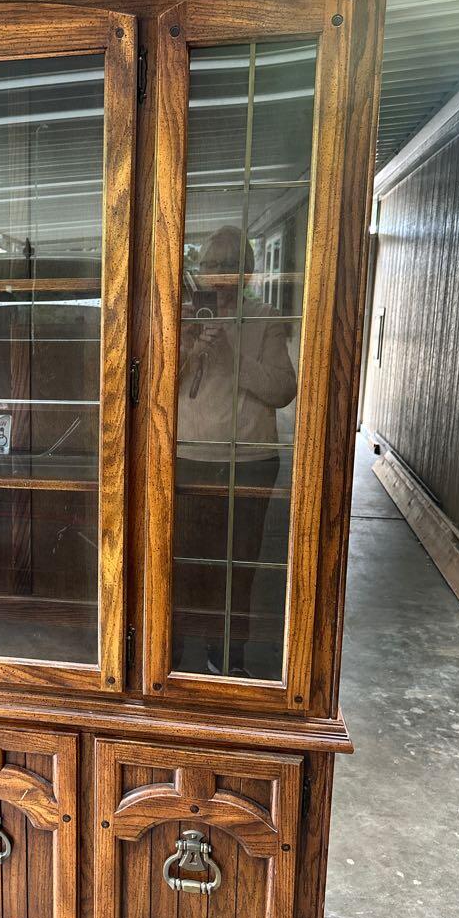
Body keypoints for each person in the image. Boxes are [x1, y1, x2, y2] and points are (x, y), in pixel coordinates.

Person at [174, 225, 297, 678]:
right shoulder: (184, 315)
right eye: (211, 265)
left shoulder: (265, 317)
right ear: (201, 272)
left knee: (238, 565)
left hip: (248, 463)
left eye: (230, 265)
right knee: (182, 561)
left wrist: (232, 360)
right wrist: (187, 349)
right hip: (186, 459)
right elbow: (154, 388)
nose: (219, 275)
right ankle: (171, 649)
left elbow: (284, 389)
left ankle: (226, 653)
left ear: (247, 272)